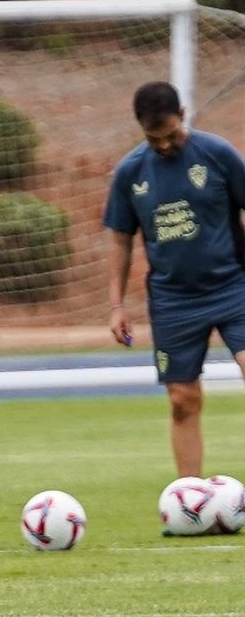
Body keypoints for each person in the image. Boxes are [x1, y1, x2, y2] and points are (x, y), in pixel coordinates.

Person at [105, 80, 245, 491]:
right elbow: (119, 237)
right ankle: (190, 499)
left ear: (183, 116)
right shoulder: (130, 172)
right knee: (182, 401)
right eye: (154, 139)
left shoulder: (217, 155)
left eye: (170, 135)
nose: (164, 145)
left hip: (235, 286)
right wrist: (115, 305)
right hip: (174, 301)